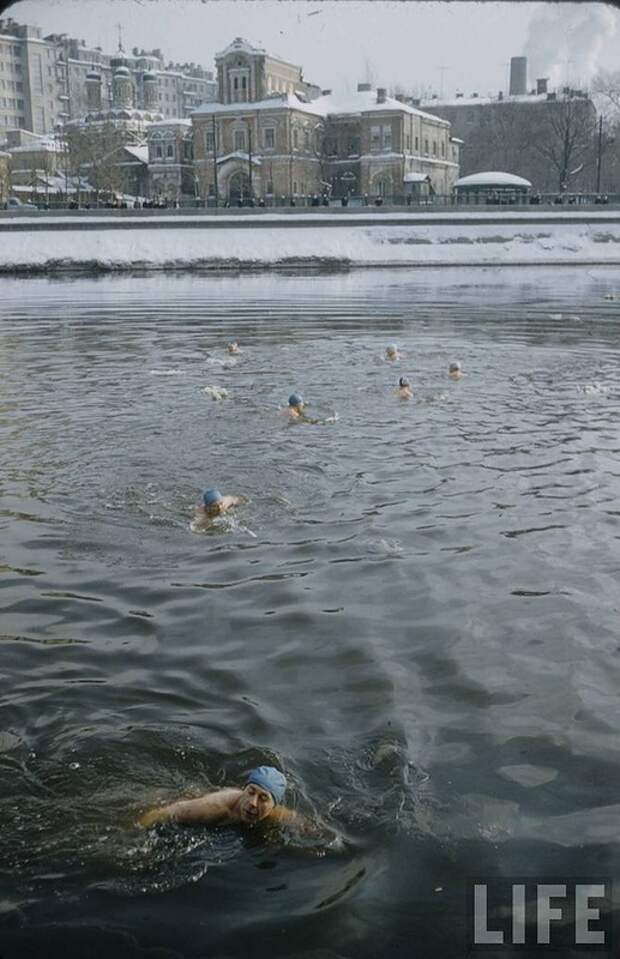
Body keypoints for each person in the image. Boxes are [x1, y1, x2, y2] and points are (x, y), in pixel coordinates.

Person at [138, 766, 339, 849]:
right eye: (250, 792)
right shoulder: (213, 808)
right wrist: (136, 837)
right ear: (244, 790)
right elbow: (159, 813)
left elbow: (309, 827)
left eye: (263, 798)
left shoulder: (276, 814)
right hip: (170, 798)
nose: (252, 803)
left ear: (273, 805)